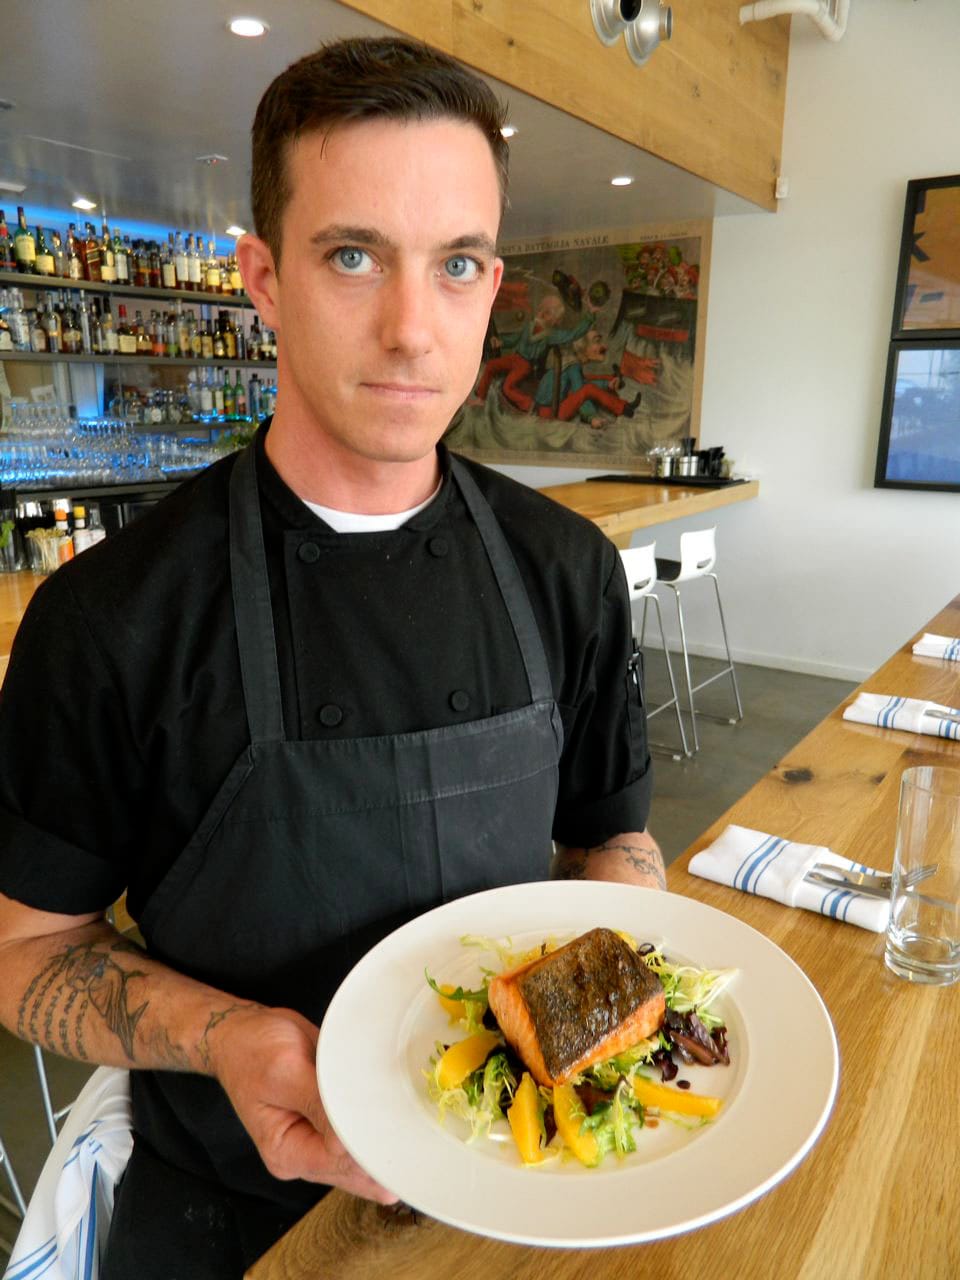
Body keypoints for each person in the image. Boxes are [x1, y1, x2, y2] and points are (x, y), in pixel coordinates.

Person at [0, 36, 664, 1277]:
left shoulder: (566, 571)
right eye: (353, 255)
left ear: (492, 282)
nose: (414, 329)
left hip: (531, 1192)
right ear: (262, 276)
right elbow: (28, 949)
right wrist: (226, 1035)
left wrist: (619, 987)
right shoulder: (110, 617)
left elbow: (612, 841)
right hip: (232, 1211)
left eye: (456, 264)